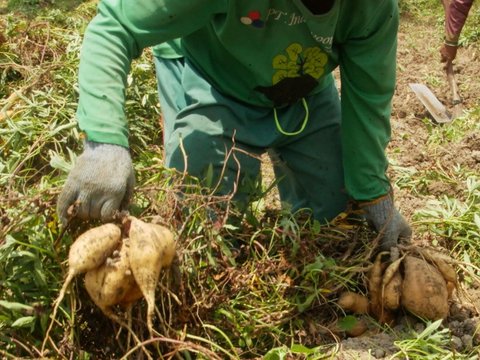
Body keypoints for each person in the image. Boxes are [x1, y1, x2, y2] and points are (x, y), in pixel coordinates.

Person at [57, 0, 412, 251]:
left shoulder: (373, 7)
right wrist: (104, 143)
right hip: (213, 75)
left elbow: (368, 96)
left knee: (339, 226)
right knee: (203, 223)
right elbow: (116, 26)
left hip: (303, 89)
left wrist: (373, 192)